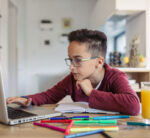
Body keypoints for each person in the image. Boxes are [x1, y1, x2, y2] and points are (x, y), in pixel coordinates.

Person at [7, 29, 140, 115]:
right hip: (80, 129)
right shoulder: (72, 79)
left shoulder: (115, 77)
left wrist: (91, 93)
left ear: (99, 62)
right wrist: (25, 99)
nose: (71, 67)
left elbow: (133, 106)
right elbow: (48, 96)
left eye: (77, 60)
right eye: (70, 60)